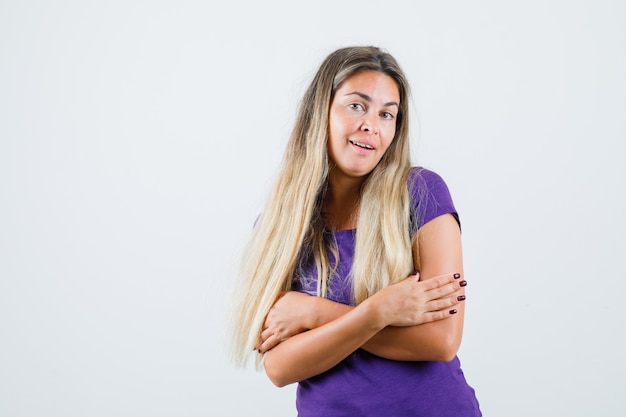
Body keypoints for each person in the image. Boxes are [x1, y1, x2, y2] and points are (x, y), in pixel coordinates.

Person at [228, 45, 481, 416]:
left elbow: (441, 340)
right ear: (322, 111)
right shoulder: (279, 227)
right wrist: (380, 312)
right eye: (357, 106)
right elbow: (280, 368)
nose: (371, 126)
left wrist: (315, 313)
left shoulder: (421, 193)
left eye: (386, 114)